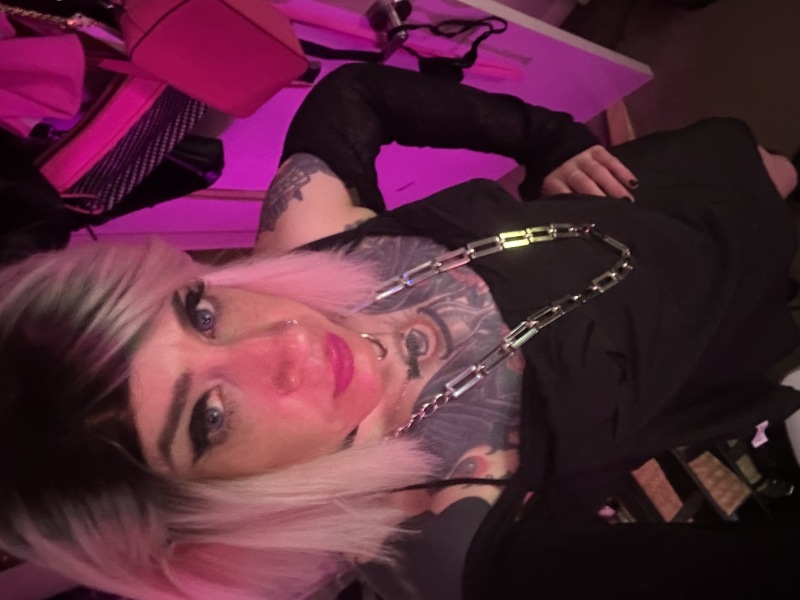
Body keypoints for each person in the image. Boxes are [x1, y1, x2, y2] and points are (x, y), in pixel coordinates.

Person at [1, 63, 799, 600]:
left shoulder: (310, 243)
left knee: (780, 165)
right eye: (209, 416)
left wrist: (548, 138)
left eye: (200, 314)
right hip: (741, 310)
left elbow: (354, 94)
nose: (288, 343)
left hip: (667, 186)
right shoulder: (460, 543)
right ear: (203, 512)